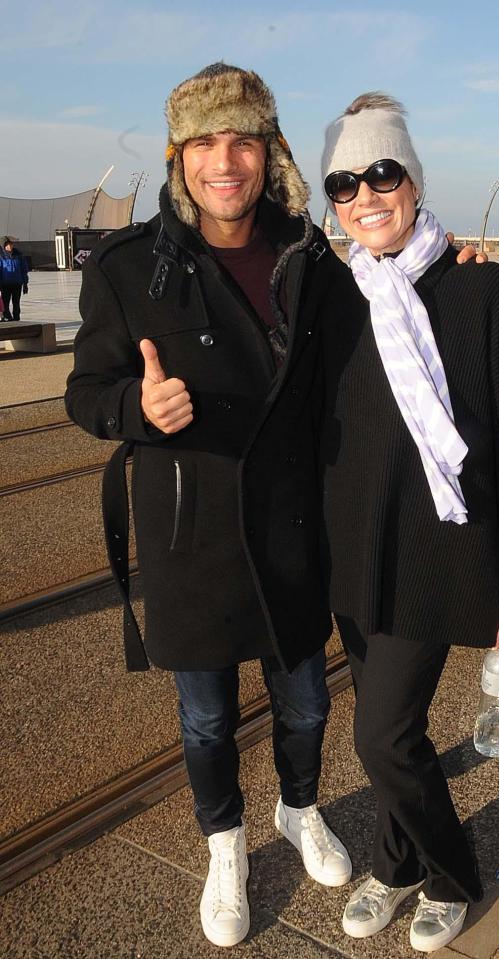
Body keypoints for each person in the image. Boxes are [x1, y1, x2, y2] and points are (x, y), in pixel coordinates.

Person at [65, 63, 358, 949]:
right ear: (178, 157)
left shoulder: (312, 253)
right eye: (203, 144)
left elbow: (368, 352)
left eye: (241, 141)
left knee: (306, 702)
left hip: (292, 523)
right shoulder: (127, 266)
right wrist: (134, 411)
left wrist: (450, 267)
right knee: (204, 716)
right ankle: (223, 842)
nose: (222, 161)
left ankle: (298, 810)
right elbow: (86, 390)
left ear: (266, 154)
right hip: (191, 531)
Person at [319, 94, 499, 953]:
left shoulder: (480, 286)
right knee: (389, 731)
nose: (365, 195)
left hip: (441, 553)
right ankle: (395, 864)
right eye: (344, 182)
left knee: (381, 734)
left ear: (412, 179)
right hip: (354, 557)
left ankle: (450, 874)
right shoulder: (335, 290)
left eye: (381, 173)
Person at [1, 237, 29, 321]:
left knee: (16, 303)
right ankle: (8, 317)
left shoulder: (19, 255)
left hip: (17, 284)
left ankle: (16, 318)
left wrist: (25, 284)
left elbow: (24, 270)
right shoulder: (1, 256)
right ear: (3, 246)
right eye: (7, 244)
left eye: (11, 244)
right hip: (5, 284)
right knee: (5, 303)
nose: (10, 246)